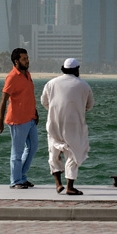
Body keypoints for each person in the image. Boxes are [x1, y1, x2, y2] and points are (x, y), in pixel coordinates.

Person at [40, 58, 94, 196]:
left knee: (53, 152)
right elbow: (89, 105)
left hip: (54, 123)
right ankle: (70, 187)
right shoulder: (84, 85)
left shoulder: (51, 83)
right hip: (74, 124)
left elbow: (44, 102)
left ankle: (58, 184)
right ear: (77, 70)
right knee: (73, 154)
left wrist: (55, 110)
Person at [0, 48, 39, 188]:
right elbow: (3, 100)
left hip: (30, 119)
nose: (27, 61)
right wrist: (0, 121)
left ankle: (22, 176)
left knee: (33, 147)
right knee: (17, 152)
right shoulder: (12, 77)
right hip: (17, 120)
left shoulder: (27, 74)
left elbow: (28, 95)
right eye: (24, 59)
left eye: (27, 58)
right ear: (16, 61)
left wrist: (35, 112)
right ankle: (15, 181)